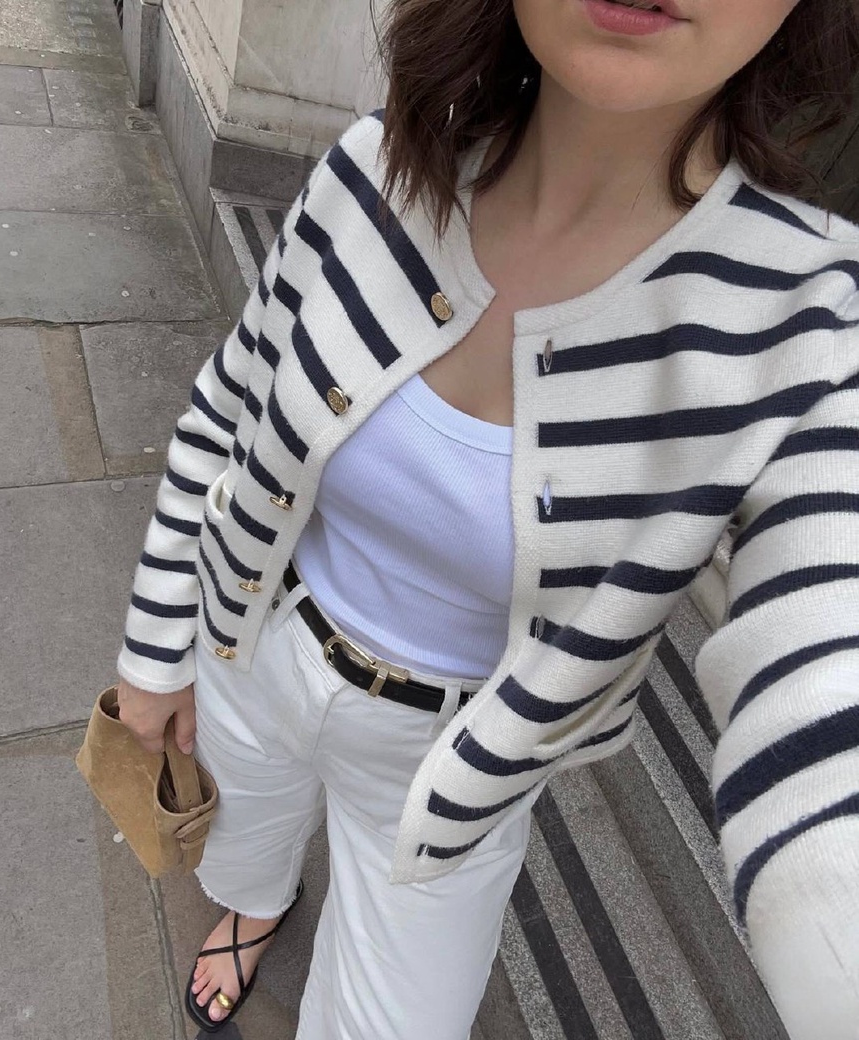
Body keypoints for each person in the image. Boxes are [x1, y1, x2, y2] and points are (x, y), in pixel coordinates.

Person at [115, 0, 859, 1037]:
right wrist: (156, 650)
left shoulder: (810, 324)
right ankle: (256, 904)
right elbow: (228, 405)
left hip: (449, 769)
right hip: (255, 643)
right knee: (242, 834)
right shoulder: (376, 168)